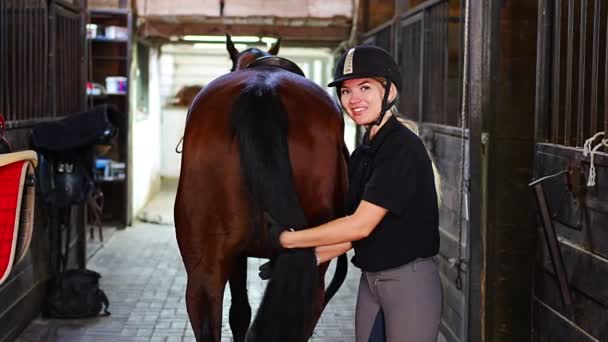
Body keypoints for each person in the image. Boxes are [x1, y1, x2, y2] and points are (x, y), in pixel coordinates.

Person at [265, 45, 443, 342]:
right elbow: (350, 236)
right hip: (371, 282)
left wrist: (287, 239)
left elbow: (360, 224)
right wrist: (299, 262)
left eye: (365, 87)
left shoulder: (402, 148)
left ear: (390, 92)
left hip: (409, 283)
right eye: (346, 91)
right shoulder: (363, 153)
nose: (353, 99)